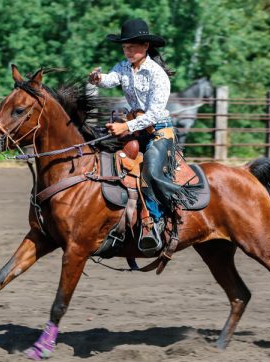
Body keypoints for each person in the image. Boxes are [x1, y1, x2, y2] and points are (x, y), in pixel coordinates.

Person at [89, 18, 195, 256]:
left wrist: (126, 127)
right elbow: (110, 79)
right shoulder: (123, 66)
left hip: (159, 131)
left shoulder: (158, 75)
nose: (127, 50)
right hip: (135, 128)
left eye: (132, 46)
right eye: (124, 46)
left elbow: (156, 113)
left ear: (145, 45)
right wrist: (97, 79)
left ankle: (154, 224)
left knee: (151, 173)